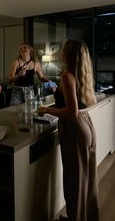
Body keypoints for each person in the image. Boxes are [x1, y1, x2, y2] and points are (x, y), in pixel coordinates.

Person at [39, 40, 99, 221]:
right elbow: (82, 104)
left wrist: (46, 109)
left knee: (74, 180)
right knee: (88, 178)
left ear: (69, 54)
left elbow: (71, 112)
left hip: (74, 128)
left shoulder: (67, 76)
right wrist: (59, 91)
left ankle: (75, 217)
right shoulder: (81, 74)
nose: (61, 51)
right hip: (86, 123)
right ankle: (86, 216)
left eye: (64, 48)